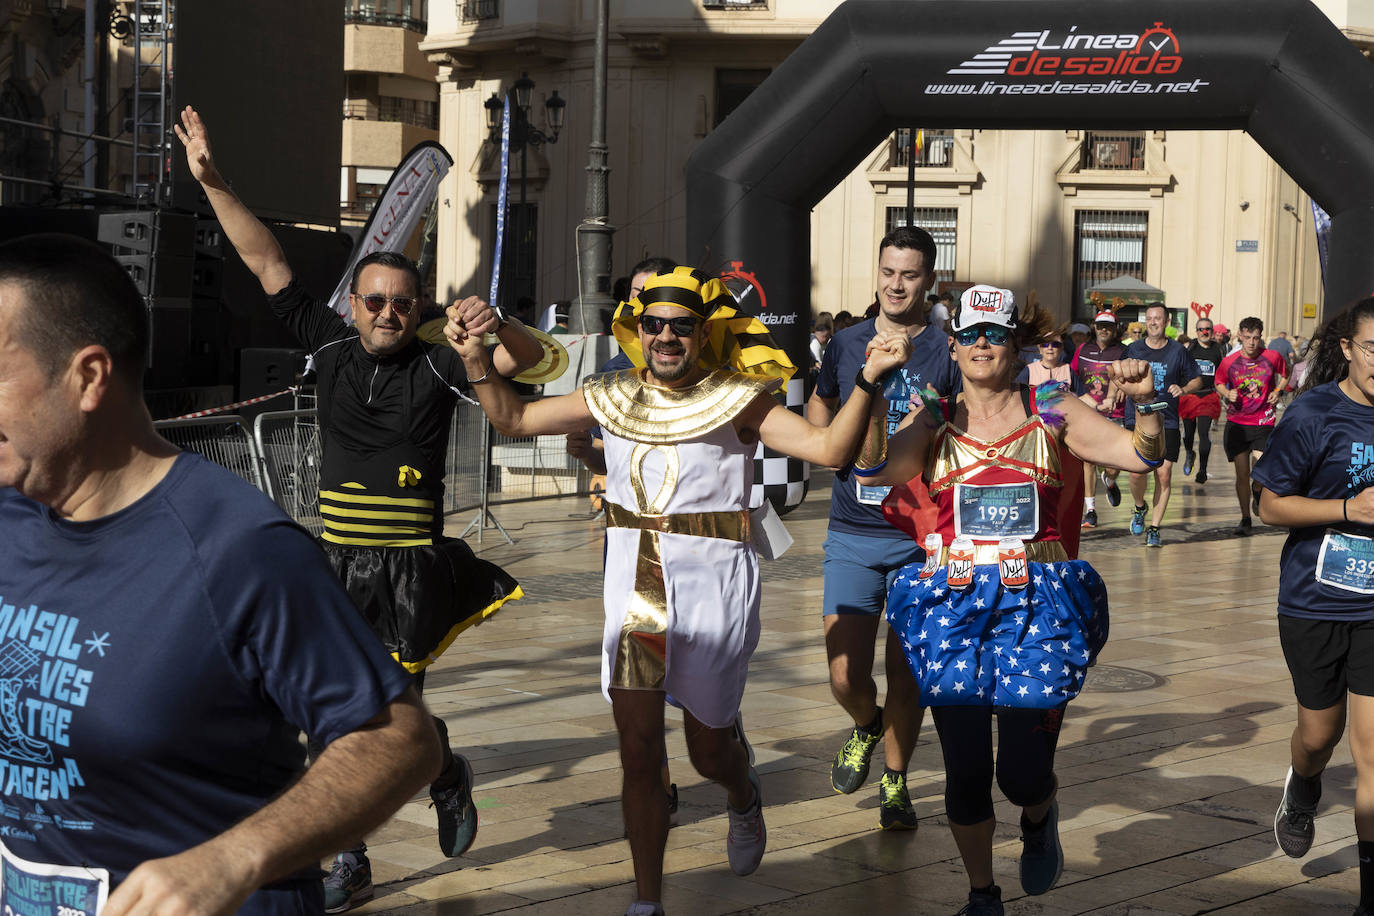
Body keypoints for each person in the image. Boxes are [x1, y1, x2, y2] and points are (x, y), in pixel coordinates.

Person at [448, 266, 914, 916]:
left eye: (682, 325)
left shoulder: (739, 398)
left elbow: (831, 449)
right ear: (639, 332)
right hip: (636, 586)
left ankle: (741, 792)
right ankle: (647, 901)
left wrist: (867, 378)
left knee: (706, 752)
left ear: (704, 332)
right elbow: (517, 416)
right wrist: (476, 358)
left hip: (714, 590)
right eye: (655, 325)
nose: (666, 336)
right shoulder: (611, 393)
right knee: (638, 751)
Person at [0, 233, 441, 916]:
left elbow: (400, 742)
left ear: (88, 377)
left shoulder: (237, 548)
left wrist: (233, 858)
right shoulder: (11, 515)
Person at [176, 105, 540, 910]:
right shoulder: (326, 345)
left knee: (391, 723)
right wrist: (215, 184)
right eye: (373, 301)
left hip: (408, 571)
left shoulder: (444, 365)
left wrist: (490, 323)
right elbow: (265, 258)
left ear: (419, 310)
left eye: (402, 304)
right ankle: (352, 857)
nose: (386, 313)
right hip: (328, 564)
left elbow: (524, 364)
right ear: (355, 305)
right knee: (335, 722)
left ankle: (445, 772)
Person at [854, 284, 1163, 916]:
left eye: (995, 334)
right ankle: (981, 893)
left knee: (1021, 771)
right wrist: (875, 387)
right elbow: (876, 470)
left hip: (1037, 607)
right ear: (953, 343)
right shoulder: (934, 418)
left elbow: (1140, 454)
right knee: (966, 770)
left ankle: (1038, 813)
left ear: (1015, 342)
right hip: (955, 605)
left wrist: (1147, 403)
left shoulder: (1053, 408)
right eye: (970, 335)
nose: (982, 345)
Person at [808, 226, 960, 830]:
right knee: (845, 672)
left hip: (920, 538)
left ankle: (895, 783)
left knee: (907, 674)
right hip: (850, 528)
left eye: (911, 275)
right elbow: (821, 403)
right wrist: (823, 443)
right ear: (877, 273)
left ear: (930, 280)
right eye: (888, 272)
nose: (897, 286)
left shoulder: (948, 351)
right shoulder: (845, 344)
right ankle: (865, 724)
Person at [1252, 297, 1374, 916]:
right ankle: (1303, 786)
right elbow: (1270, 507)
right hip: (1316, 601)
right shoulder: (1314, 413)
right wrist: (1349, 510)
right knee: (1318, 734)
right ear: (1349, 349)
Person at [1124, 304, 1202, 548]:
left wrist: (1184, 388)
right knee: (1137, 471)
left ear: (1167, 321)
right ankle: (1140, 508)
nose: (1153, 322)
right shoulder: (1133, 349)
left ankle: (1155, 528)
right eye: (1149, 318)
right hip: (1136, 418)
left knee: (1164, 474)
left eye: (1158, 318)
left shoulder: (1178, 351)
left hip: (1166, 419)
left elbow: (1197, 379)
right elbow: (1118, 374)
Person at [1216, 317, 1287, 535]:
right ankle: (1245, 518)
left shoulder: (1272, 357)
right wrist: (1228, 393)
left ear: (1261, 337)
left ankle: (1258, 490)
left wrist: (1277, 391)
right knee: (1241, 474)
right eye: (1247, 338)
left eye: (1256, 338)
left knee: (1260, 468)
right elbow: (1218, 382)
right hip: (1237, 423)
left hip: (1263, 421)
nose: (1252, 343)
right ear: (1240, 335)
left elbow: (1285, 375)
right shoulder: (1230, 361)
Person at [1071, 309, 1126, 528]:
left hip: (1115, 413)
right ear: (1094, 327)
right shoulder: (1083, 349)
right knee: (1088, 461)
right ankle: (1091, 510)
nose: (1104, 330)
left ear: (1115, 329)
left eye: (1109, 326)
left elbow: (1130, 377)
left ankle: (1110, 480)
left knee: (1113, 464)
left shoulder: (1123, 351)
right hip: (1088, 413)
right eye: (1100, 325)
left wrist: (1123, 389)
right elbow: (1073, 376)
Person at [1179, 317, 1225, 484]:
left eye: (1208, 329)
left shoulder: (1219, 349)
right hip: (1190, 396)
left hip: (1208, 396)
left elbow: (1224, 371)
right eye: (1201, 329)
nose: (1204, 332)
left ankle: (1203, 470)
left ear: (1212, 332)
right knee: (1188, 434)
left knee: (1204, 433)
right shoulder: (1189, 348)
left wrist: (1223, 390)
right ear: (1196, 331)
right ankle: (1190, 453)